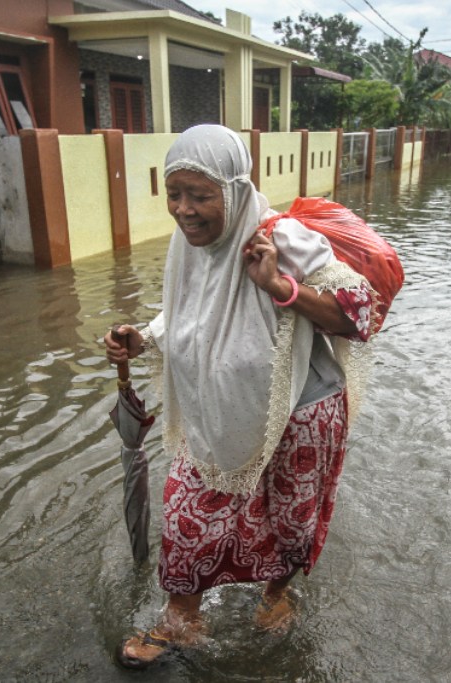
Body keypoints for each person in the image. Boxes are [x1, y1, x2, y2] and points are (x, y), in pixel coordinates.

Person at [104, 124, 375, 669]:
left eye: (200, 196)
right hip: (218, 410)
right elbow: (190, 313)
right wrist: (143, 337)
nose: (184, 210)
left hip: (299, 410)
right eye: (174, 194)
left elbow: (359, 313)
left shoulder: (282, 237)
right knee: (186, 515)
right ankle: (181, 617)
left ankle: (276, 594)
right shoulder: (189, 247)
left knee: (288, 518)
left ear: (233, 189)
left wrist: (282, 288)